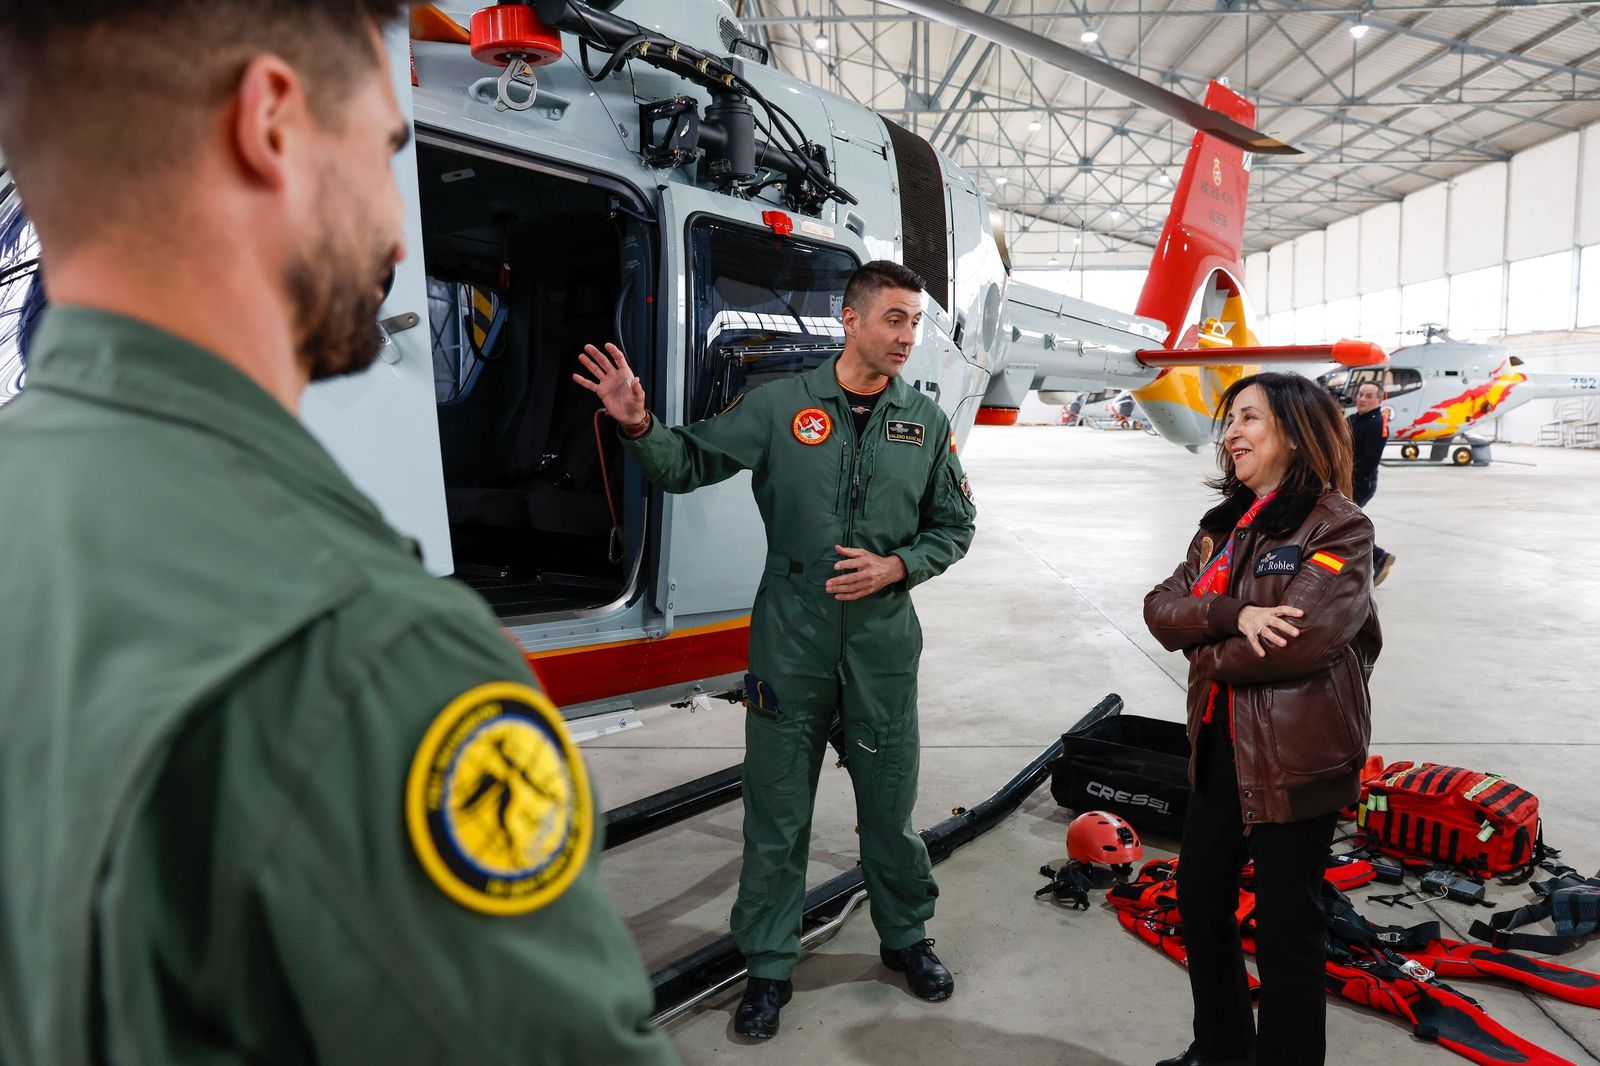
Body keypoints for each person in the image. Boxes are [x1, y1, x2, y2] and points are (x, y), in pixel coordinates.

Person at [0, 4, 676, 1064]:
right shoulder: (365, 654)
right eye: (382, 150)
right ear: (271, 123)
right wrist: (416, 668)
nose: (403, 237)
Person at [574, 260, 977, 1040]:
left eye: (915, 322)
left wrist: (900, 565)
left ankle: (905, 940)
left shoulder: (923, 424)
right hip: (791, 636)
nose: (907, 337)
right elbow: (685, 463)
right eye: (894, 318)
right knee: (777, 813)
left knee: (888, 809)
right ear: (850, 320)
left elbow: (954, 528)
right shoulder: (779, 407)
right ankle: (767, 966)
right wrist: (634, 424)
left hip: (884, 644)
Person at [1143, 372, 1381, 1066]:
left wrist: (1204, 650)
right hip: (1217, 745)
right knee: (1200, 903)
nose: (1230, 434)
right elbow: (1161, 608)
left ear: (1297, 432)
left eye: (1249, 419)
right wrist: (1228, 617)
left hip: (1296, 757)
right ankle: (1221, 1052)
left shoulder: (1339, 525)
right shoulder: (1220, 527)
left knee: (1288, 931)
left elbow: (1299, 638)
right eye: (1229, 420)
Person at [1348, 380, 1396, 585]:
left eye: (1368, 396)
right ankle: (1375, 558)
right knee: (1344, 525)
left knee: (1344, 525)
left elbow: (1369, 461)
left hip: (1360, 483)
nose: (1362, 399)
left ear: (1379, 399)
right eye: (1360, 394)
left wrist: (1343, 473)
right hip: (1345, 480)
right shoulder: (1351, 419)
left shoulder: (1377, 424)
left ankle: (1378, 556)